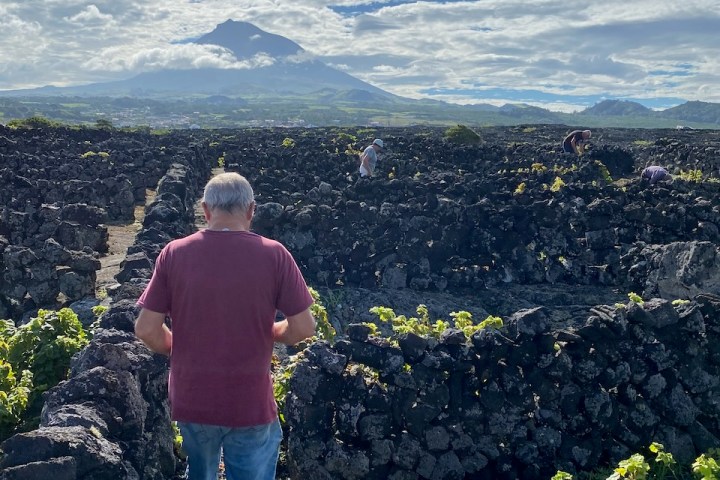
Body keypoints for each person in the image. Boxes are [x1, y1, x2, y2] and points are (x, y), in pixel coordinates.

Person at [134, 172, 316, 480]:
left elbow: (146, 329)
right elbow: (303, 327)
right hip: (250, 401)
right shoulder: (274, 255)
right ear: (251, 210)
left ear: (205, 210)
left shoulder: (174, 254)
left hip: (192, 397)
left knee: (200, 472)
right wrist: (271, 331)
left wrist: (179, 347)